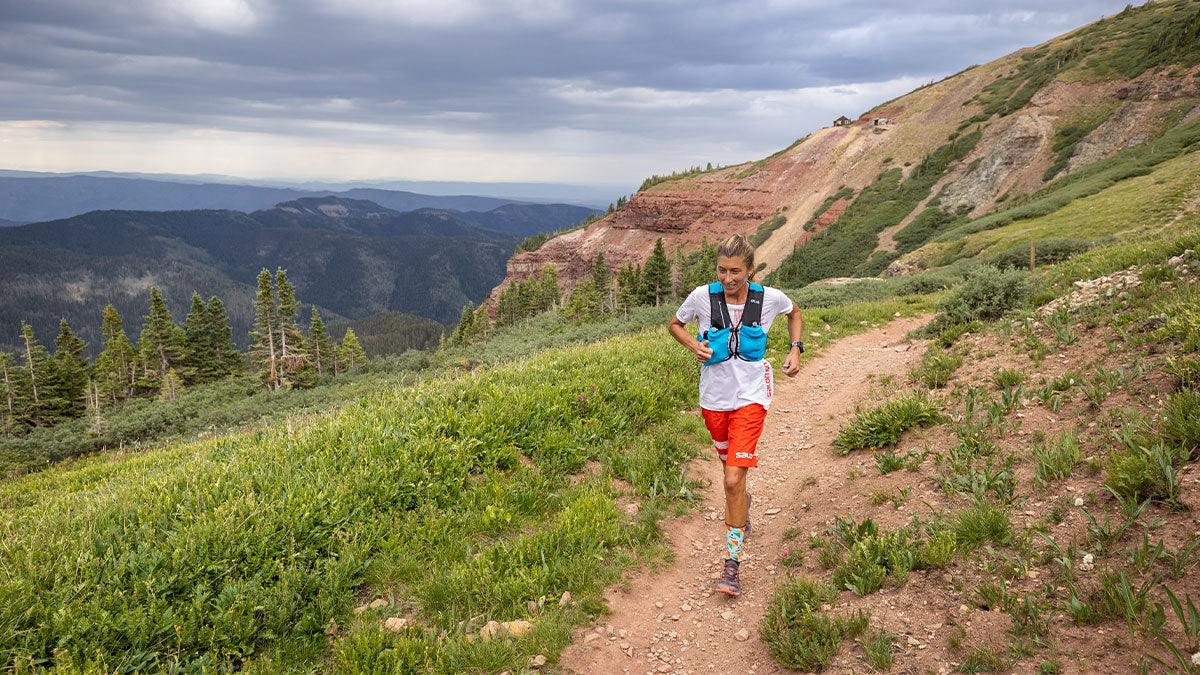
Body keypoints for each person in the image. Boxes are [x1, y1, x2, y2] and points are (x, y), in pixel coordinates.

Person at [667, 234, 803, 597]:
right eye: (722, 270)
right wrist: (693, 344)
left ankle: (731, 565)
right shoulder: (701, 296)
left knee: (730, 481)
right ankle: (744, 504)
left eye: (736, 272)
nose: (728, 278)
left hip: (752, 398)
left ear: (751, 270)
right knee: (733, 477)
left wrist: (795, 349)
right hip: (713, 400)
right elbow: (674, 325)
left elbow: (795, 312)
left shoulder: (769, 298)